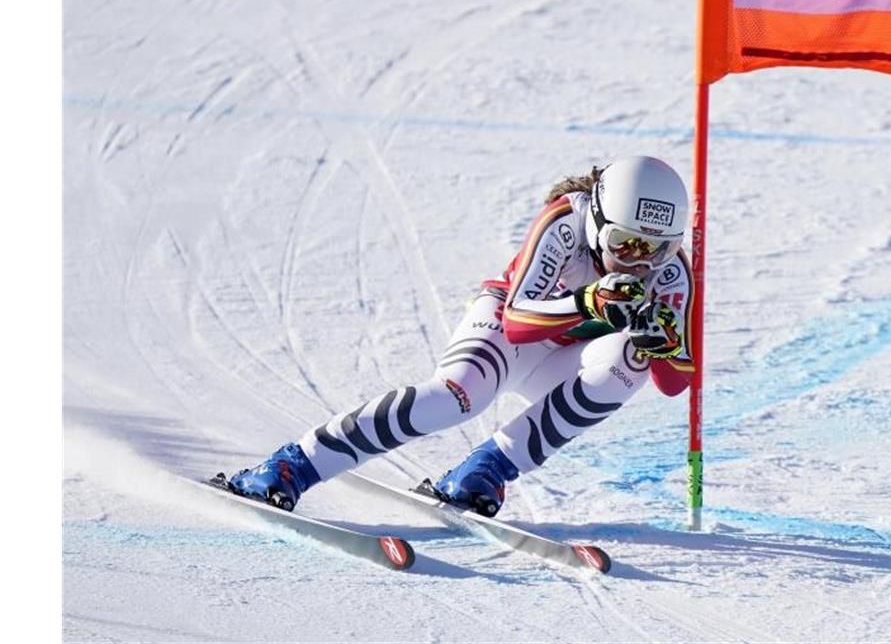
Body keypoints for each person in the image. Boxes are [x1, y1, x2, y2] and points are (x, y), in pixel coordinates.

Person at [226, 155, 695, 516]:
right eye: (626, 244)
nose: (641, 261)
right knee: (456, 397)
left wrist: (664, 345)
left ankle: (486, 468)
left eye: (659, 248)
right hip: (510, 333)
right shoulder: (564, 223)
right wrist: (586, 302)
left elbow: (676, 384)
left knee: (633, 357)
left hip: (564, 361)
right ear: (596, 222)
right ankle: (294, 464)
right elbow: (517, 319)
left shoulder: (671, 274)